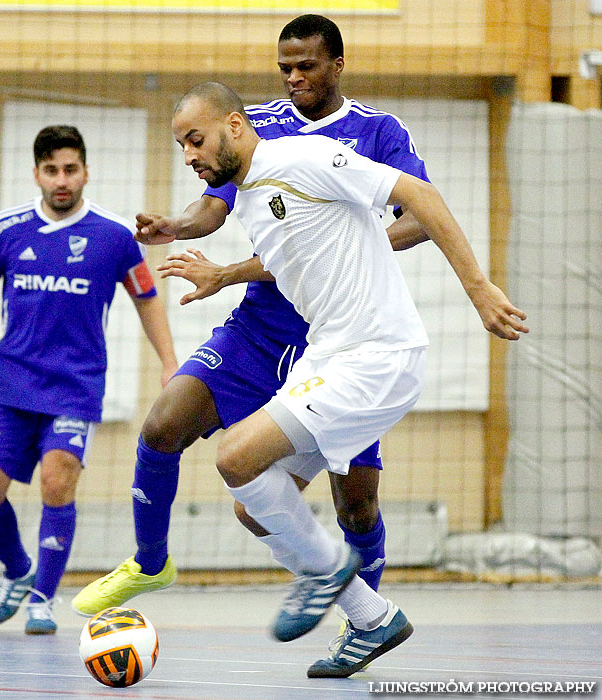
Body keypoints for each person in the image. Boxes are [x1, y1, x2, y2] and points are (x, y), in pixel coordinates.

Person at [134, 81, 528, 675]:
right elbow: (307, 250)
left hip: (376, 356)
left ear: (236, 126)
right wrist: (211, 260)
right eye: (181, 146)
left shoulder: (304, 158)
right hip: (331, 355)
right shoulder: (251, 196)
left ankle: (327, 574)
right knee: (256, 506)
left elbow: (419, 194)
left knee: (235, 458)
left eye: (196, 139)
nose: (188, 155)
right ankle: (373, 619)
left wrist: (479, 289)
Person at [72, 16, 432, 641]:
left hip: (337, 337)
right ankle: (151, 561)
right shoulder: (254, 126)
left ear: (337, 66)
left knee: (357, 502)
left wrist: (351, 243)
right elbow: (213, 206)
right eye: (284, 68)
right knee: (164, 425)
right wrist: (176, 227)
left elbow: (421, 214)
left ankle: (363, 613)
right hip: (259, 329)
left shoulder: (376, 131)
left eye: (307, 67)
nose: (294, 79)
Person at [0, 125, 178, 635]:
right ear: (36, 173)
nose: (61, 179)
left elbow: (146, 297)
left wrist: (169, 360)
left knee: (57, 479)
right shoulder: (6, 228)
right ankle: (16, 571)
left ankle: (42, 599)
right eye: (51, 170)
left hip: (76, 386)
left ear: (85, 172)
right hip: (12, 385)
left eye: (70, 169)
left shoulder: (114, 235)